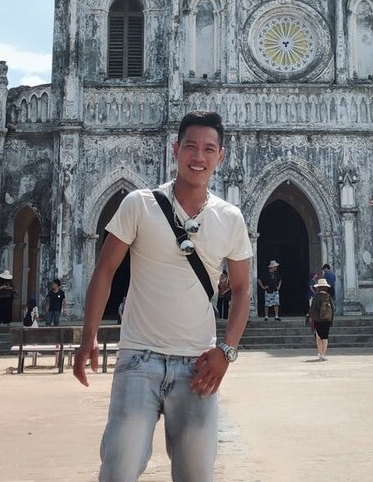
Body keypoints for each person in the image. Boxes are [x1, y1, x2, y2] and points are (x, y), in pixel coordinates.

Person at [73, 110, 252, 482]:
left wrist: (227, 351)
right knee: (118, 468)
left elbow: (240, 288)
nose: (198, 157)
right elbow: (104, 270)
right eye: (190, 146)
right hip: (138, 359)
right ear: (175, 150)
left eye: (208, 149)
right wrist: (88, 334)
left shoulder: (230, 217)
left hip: (198, 366)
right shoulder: (139, 204)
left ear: (220, 157)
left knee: (195, 475)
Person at [308, 277, 334, 360]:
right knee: (325, 337)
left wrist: (311, 316)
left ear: (318, 287)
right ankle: (324, 354)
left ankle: (320, 353)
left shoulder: (316, 297)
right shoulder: (328, 297)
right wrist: (331, 319)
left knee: (319, 337)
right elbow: (333, 309)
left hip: (317, 320)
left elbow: (312, 309)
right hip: (327, 319)